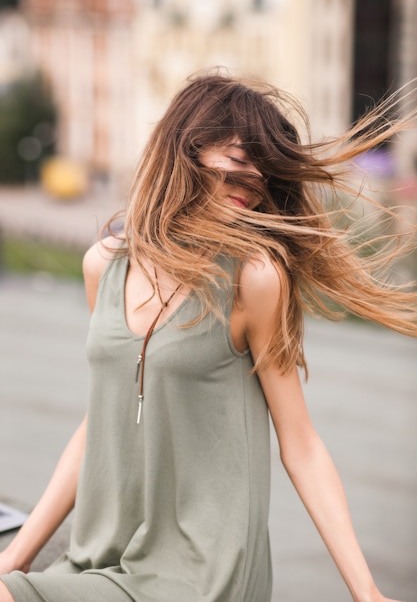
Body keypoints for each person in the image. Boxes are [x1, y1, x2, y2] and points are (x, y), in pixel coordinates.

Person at [0, 72, 416, 602]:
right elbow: (102, 418)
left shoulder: (254, 278)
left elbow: (302, 443)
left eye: (264, 175)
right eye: (239, 164)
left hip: (202, 573)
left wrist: (367, 590)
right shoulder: (102, 266)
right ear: (184, 148)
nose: (253, 184)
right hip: (101, 556)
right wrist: (17, 554)